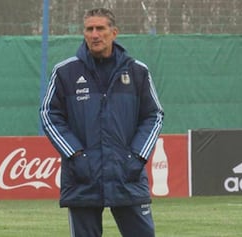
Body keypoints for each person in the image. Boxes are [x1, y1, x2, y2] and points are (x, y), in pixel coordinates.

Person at [40, 8, 164, 237]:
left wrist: (137, 156)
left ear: (114, 32)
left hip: (127, 174)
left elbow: (154, 116)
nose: (95, 34)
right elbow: (49, 115)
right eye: (89, 29)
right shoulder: (65, 72)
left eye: (101, 28)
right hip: (82, 177)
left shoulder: (137, 72)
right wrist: (76, 155)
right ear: (84, 33)